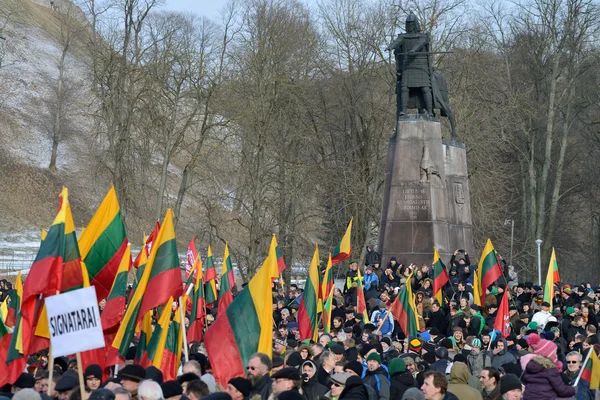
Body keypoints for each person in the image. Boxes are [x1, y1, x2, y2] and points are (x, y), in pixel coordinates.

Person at [521, 333, 576, 399]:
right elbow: (561, 390)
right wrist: (573, 389)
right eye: (555, 353)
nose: (556, 356)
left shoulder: (530, 367)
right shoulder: (550, 369)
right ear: (549, 355)